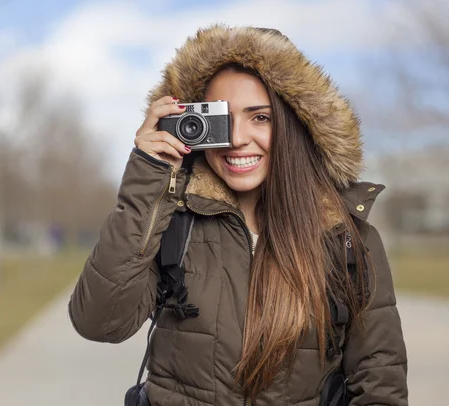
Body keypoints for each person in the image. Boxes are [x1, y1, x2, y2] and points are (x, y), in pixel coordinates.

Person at [68, 25, 408, 405]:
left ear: (295, 124)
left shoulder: (345, 237)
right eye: (220, 120)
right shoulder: (171, 220)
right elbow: (98, 322)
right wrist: (147, 179)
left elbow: (380, 383)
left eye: (260, 117)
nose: (236, 139)